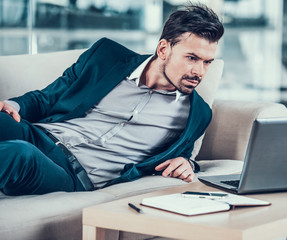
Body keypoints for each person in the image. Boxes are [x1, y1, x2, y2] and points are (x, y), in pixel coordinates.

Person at [0, 4, 224, 196]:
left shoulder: (197, 114)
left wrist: (188, 164)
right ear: (164, 49)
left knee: (19, 154)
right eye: (192, 58)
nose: (199, 72)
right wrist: (12, 106)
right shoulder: (106, 56)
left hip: (72, 174)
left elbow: (182, 155)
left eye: (207, 62)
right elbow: (47, 98)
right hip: (40, 135)